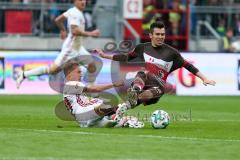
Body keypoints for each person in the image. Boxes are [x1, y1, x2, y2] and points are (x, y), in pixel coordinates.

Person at [96, 21, 216, 109]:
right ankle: (115, 111)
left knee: (143, 86)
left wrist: (204, 78)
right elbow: (126, 57)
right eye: (157, 34)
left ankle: (134, 92)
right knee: (134, 96)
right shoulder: (142, 48)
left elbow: (188, 66)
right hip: (144, 82)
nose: (160, 37)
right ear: (150, 35)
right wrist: (105, 56)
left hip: (159, 87)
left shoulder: (172, 53)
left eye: (162, 34)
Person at [16, 0, 101, 89]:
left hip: (78, 47)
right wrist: (91, 33)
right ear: (75, 1)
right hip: (71, 48)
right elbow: (74, 31)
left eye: (84, 0)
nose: (83, 2)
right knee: (53, 70)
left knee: (92, 65)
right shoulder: (75, 13)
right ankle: (24, 74)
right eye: (80, 0)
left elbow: (58, 20)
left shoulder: (72, 11)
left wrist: (62, 30)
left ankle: (93, 93)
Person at [62, 60, 144, 128]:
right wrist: (113, 84)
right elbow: (94, 89)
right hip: (84, 114)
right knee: (105, 103)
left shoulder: (71, 87)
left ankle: (120, 119)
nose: (81, 74)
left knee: (115, 122)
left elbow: (86, 99)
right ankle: (125, 106)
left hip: (85, 119)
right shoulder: (71, 84)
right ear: (70, 74)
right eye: (78, 72)